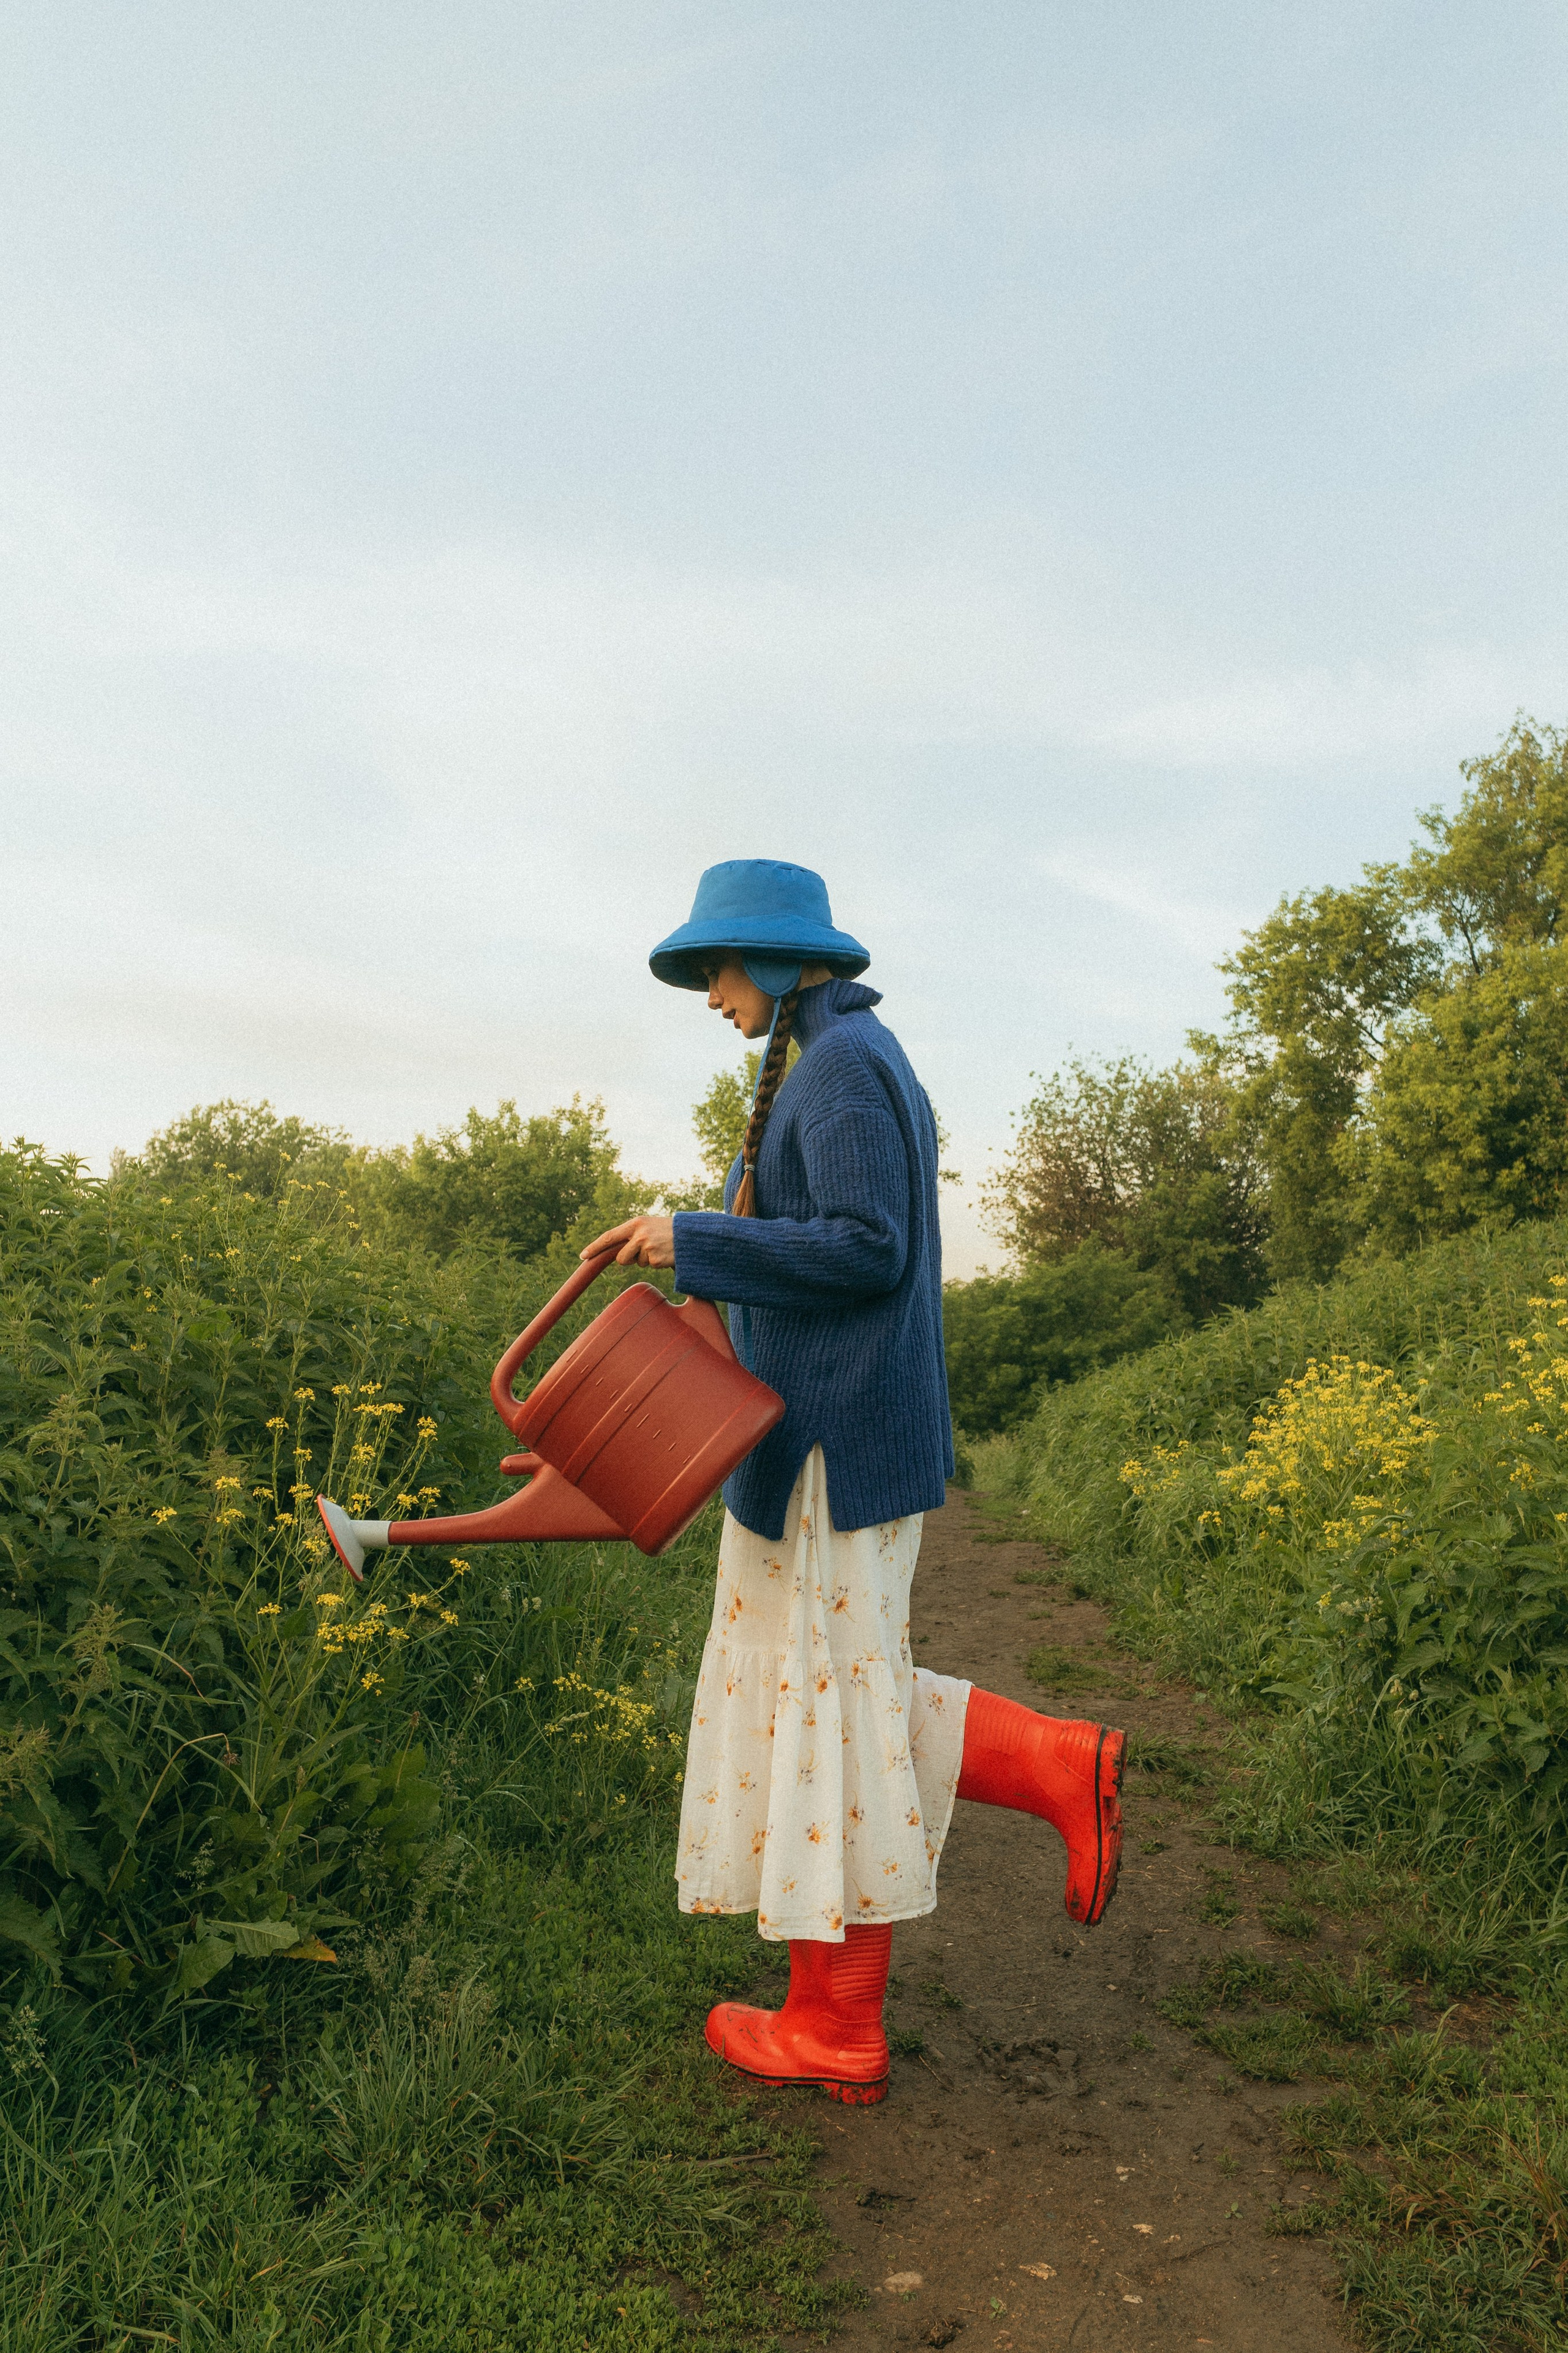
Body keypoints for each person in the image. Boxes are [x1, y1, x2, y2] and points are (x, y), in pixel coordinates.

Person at [581, 858, 1125, 2106]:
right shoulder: (829, 1056)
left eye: (717, 968)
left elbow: (865, 1248)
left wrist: (690, 1233)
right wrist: (694, 1266)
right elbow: (813, 1256)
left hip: (832, 1448)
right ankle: (1033, 1774)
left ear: (771, 959)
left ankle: (840, 2022)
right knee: (826, 1703)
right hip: (815, 1438)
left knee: (830, 1710)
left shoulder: (836, 1066)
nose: (709, 993)